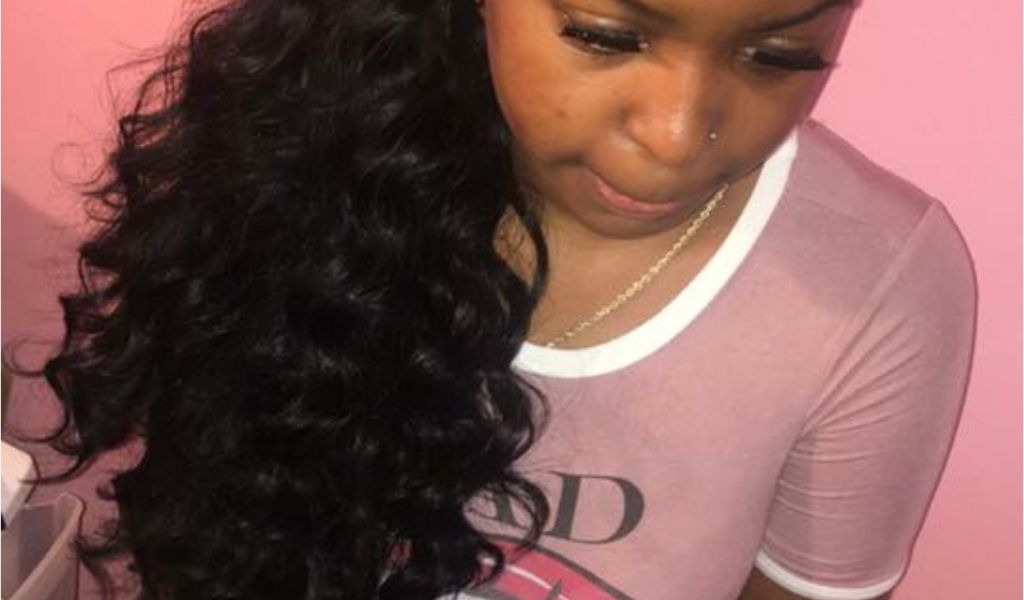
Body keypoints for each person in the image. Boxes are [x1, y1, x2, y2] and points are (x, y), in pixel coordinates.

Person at [38, 0, 976, 598]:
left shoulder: (872, 290)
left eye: (777, 55)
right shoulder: (298, 163)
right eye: (605, 35)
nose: (675, 133)